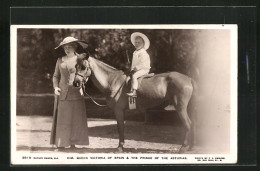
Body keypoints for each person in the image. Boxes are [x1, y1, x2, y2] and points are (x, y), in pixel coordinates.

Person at [50, 36, 89, 149]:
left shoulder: (80, 59)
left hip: (77, 93)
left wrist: (83, 82)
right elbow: (55, 76)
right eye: (65, 47)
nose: (67, 49)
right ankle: (61, 144)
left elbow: (87, 73)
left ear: (75, 47)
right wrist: (55, 87)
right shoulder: (59, 60)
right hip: (63, 93)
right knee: (63, 119)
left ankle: (73, 143)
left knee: (76, 119)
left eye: (70, 47)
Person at [127, 32, 151, 97]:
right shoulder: (135, 52)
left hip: (144, 69)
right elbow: (134, 63)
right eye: (136, 42)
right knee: (128, 77)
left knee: (134, 76)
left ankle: (134, 91)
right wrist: (131, 69)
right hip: (137, 69)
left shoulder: (143, 52)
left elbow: (143, 63)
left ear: (143, 44)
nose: (137, 44)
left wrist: (136, 68)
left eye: (139, 43)